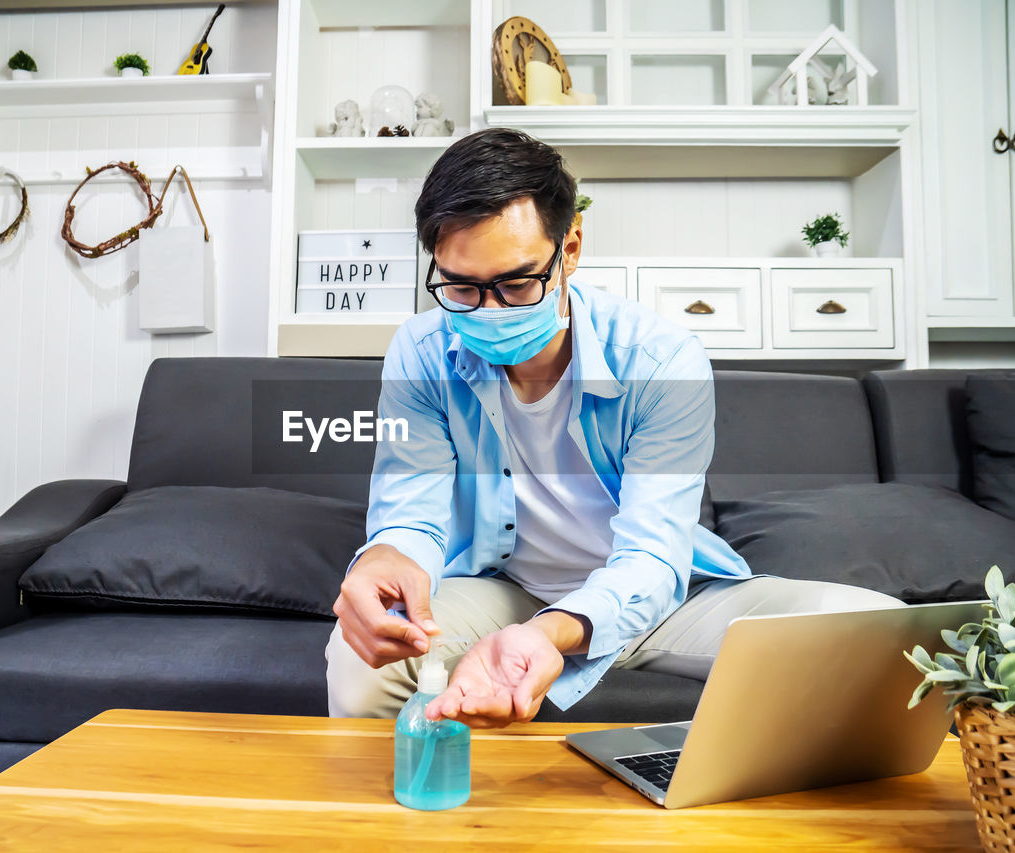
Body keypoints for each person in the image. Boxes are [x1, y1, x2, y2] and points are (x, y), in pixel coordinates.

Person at [325, 128, 903, 727]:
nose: (489, 312)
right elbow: (409, 511)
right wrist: (386, 558)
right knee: (360, 661)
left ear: (570, 246)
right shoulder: (422, 352)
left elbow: (653, 556)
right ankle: (403, 819)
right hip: (505, 590)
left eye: (517, 284)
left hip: (660, 601)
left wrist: (553, 633)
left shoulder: (661, 362)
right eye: (462, 287)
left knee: (882, 637)